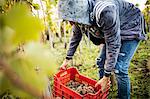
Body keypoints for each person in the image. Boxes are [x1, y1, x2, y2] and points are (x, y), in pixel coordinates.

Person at [57, 0, 147, 99]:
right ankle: (102, 92)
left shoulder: (106, 12)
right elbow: (76, 37)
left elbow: (113, 43)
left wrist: (107, 75)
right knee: (101, 62)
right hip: (114, 30)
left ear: (79, 12)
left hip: (131, 26)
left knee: (119, 68)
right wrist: (67, 59)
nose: (70, 23)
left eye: (71, 21)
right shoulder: (79, 18)